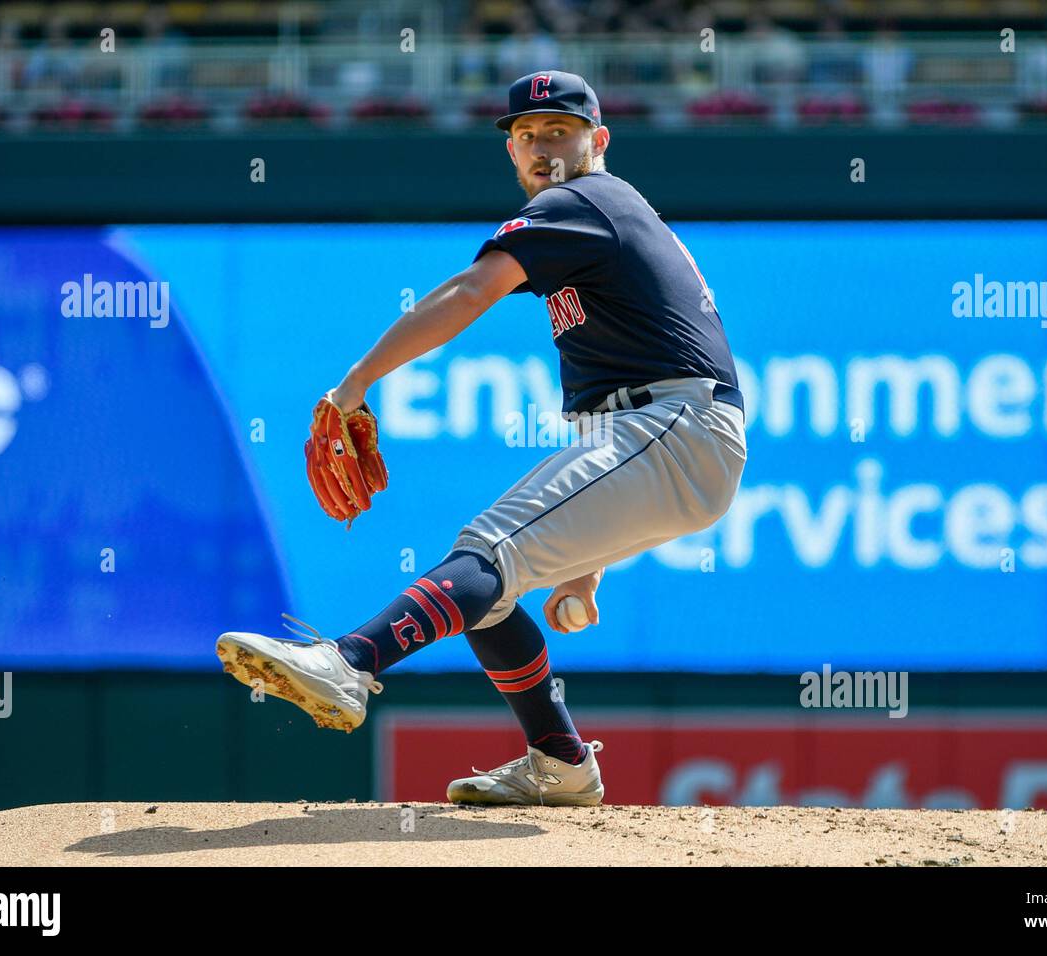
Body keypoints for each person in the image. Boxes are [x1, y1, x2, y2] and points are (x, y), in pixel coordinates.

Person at [217, 71, 747, 806]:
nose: (540, 146)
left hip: (674, 425)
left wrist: (355, 382)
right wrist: (588, 563)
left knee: (488, 553)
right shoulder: (597, 219)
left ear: (599, 141)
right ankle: (560, 760)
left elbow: (470, 292)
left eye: (559, 131)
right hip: (665, 433)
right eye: (525, 135)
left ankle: (351, 660)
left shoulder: (584, 198)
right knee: (491, 588)